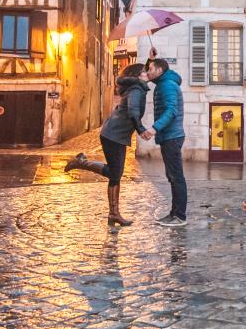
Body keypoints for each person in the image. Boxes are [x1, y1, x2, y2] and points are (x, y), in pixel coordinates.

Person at [64, 63, 150, 226]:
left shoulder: (133, 86)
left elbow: (141, 75)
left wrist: (149, 60)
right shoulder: (137, 90)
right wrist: (141, 129)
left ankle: (113, 214)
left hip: (113, 134)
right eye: (145, 71)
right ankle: (82, 163)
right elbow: (133, 111)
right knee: (115, 173)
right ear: (138, 75)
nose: (147, 74)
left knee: (115, 173)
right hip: (114, 135)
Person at [142, 58, 187, 227]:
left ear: (160, 71)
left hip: (172, 136)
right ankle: (174, 213)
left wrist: (154, 129)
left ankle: (180, 216)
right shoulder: (164, 82)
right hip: (170, 136)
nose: (148, 72)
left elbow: (171, 111)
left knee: (176, 177)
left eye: (151, 69)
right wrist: (150, 58)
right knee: (172, 176)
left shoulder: (167, 85)